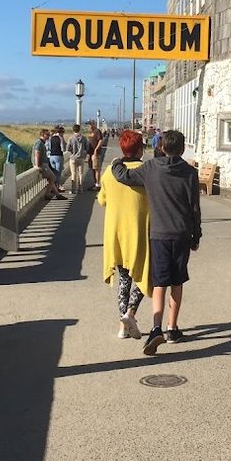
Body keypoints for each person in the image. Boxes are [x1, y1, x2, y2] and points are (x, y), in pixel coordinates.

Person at [111, 129, 201, 356]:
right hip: (181, 233)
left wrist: (116, 162)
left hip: (158, 234)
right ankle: (172, 329)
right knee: (177, 281)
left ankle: (156, 328)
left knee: (159, 282)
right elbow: (194, 207)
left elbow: (124, 176)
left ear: (161, 147)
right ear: (182, 149)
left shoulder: (150, 169)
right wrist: (196, 235)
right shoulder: (190, 173)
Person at [98, 129, 151, 339]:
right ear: (139, 149)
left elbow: (102, 200)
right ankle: (130, 314)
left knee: (124, 280)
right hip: (139, 231)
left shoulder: (110, 172)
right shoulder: (147, 171)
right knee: (144, 276)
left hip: (116, 234)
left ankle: (122, 327)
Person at [33, 128, 63, 200]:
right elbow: (37, 153)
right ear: (43, 135)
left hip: (44, 164)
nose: (49, 136)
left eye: (49, 135)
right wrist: (37, 165)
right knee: (53, 177)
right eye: (47, 135)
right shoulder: (39, 143)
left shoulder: (42, 142)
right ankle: (48, 194)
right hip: (42, 164)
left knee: (51, 179)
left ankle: (57, 195)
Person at [66, 124, 90, 195]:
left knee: (73, 173)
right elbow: (87, 147)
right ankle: (80, 189)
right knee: (81, 173)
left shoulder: (71, 138)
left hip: (73, 158)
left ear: (73, 130)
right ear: (79, 129)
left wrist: (72, 151)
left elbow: (67, 148)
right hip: (81, 158)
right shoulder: (84, 138)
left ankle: (73, 189)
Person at [87, 120, 106, 188]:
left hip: (95, 153)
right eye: (88, 125)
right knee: (92, 169)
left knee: (96, 168)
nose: (89, 126)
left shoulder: (97, 131)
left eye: (90, 124)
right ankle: (95, 183)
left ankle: (97, 184)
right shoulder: (90, 132)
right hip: (90, 153)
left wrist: (96, 149)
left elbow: (100, 140)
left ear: (93, 124)